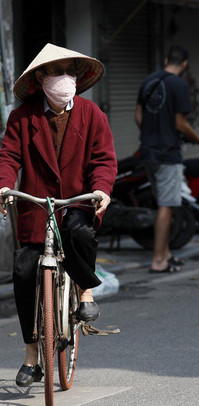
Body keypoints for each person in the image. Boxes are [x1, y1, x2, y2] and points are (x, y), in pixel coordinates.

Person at [0, 43, 117, 387]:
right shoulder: (22, 117)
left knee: (81, 235)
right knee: (23, 271)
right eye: (56, 71)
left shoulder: (92, 114)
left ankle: (85, 293)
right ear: (40, 78)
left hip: (77, 203)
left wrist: (101, 190)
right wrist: (4, 186)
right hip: (36, 207)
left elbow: (104, 160)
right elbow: (8, 157)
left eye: (70, 71)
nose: (64, 78)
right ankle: (31, 356)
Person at [135, 45, 199, 274]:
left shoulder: (148, 81)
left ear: (165, 59)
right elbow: (181, 123)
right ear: (184, 64)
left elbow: (138, 116)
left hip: (148, 152)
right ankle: (158, 260)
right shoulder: (179, 84)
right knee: (167, 205)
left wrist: (151, 135)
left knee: (164, 201)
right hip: (167, 154)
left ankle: (167, 253)